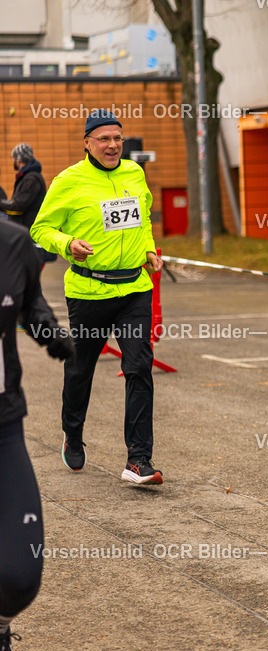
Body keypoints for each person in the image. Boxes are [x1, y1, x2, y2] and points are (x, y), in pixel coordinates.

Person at [30, 109, 165, 485]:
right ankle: (73, 434)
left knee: (139, 367)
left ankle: (139, 460)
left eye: (117, 138)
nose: (112, 145)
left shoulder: (134, 174)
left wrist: (149, 250)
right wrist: (67, 243)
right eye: (104, 139)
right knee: (80, 369)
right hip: (89, 292)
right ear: (87, 143)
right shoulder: (69, 181)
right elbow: (41, 228)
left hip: (135, 289)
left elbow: (144, 218)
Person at [1, 219, 75, 650]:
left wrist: (50, 334)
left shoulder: (12, 243)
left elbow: (30, 302)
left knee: (20, 576)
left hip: (2, 424)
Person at [1, 144, 55, 268]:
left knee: (30, 280)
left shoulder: (31, 178)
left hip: (29, 236)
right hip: (27, 235)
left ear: (19, 159)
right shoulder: (27, 176)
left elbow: (18, 205)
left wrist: (1, 203)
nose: (12, 161)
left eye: (13, 158)